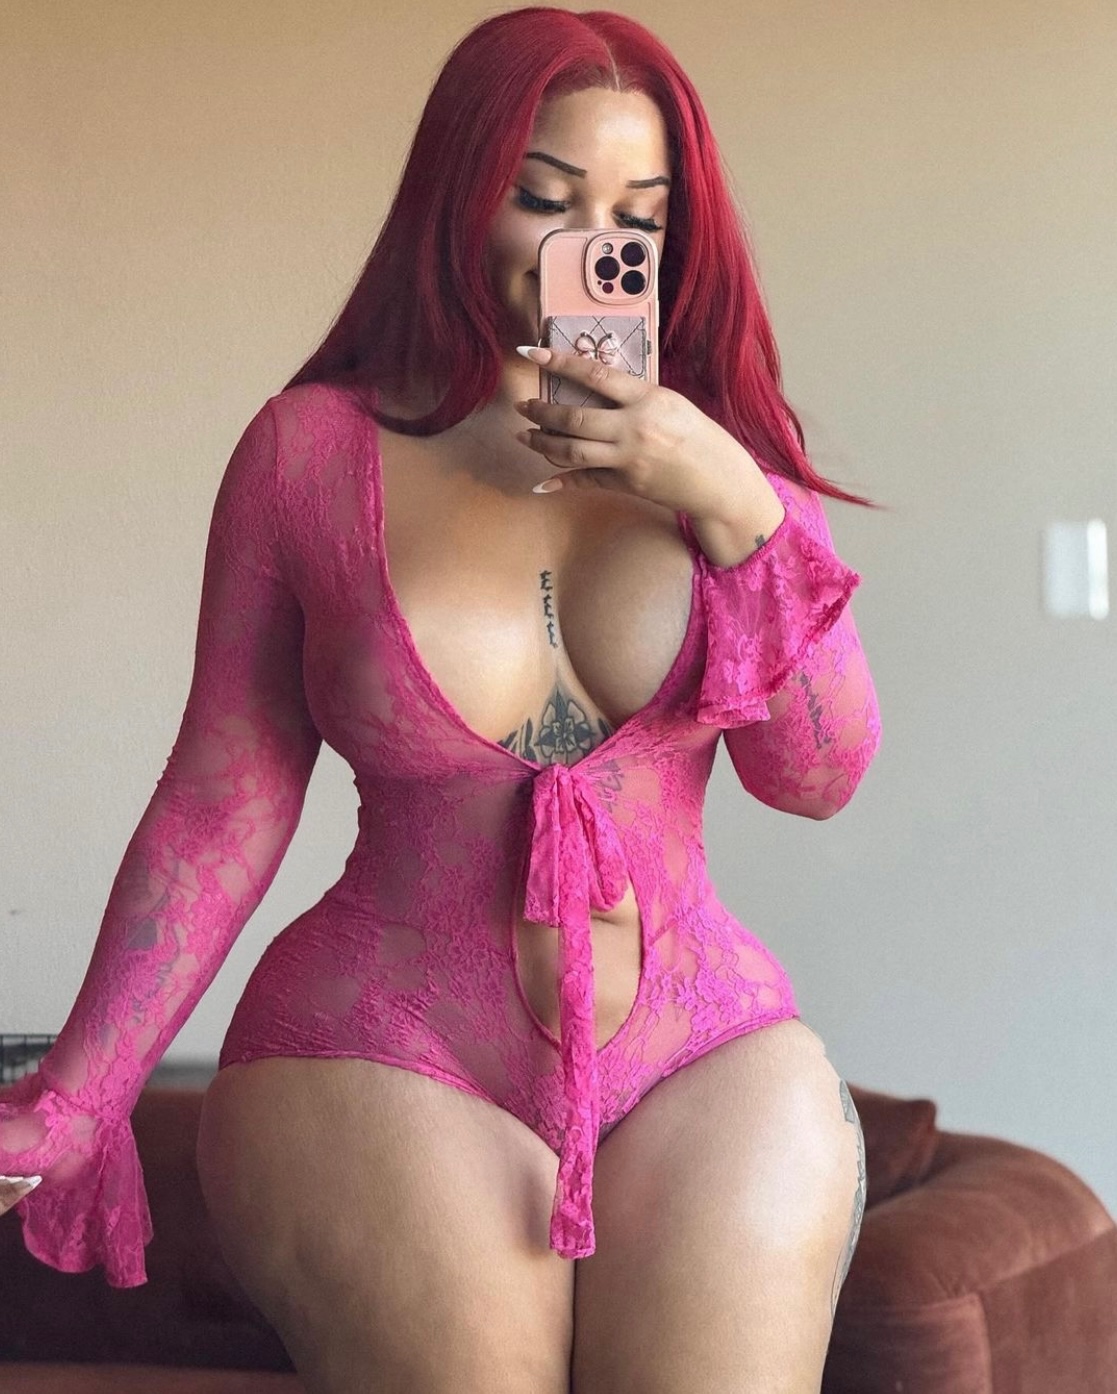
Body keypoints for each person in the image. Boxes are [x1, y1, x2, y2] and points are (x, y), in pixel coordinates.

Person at [0, 8, 881, 1391]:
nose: (594, 245)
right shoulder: (311, 454)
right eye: (546, 197)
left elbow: (817, 775)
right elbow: (225, 796)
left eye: (638, 217)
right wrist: (79, 1090)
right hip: (380, 1039)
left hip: (698, 1045)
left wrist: (732, 506)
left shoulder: (729, 473)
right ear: (459, 196)